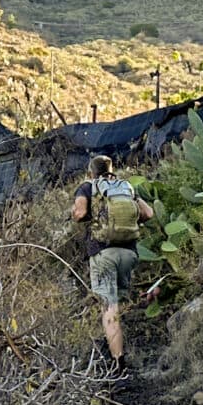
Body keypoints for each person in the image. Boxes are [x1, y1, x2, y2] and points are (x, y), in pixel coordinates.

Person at [70, 153, 155, 366]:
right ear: (111, 169)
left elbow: (80, 213)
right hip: (129, 253)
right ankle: (117, 344)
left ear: (91, 172)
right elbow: (149, 213)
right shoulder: (126, 187)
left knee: (110, 307)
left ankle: (118, 361)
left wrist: (79, 214)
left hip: (103, 253)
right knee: (118, 305)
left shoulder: (88, 187)